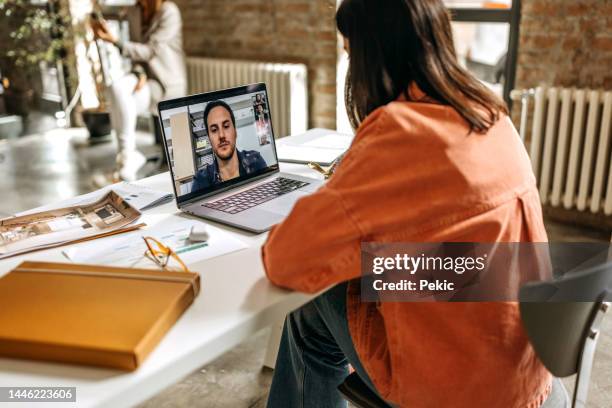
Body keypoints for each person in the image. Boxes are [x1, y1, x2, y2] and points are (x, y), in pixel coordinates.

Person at [262, 0, 558, 407]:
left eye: (352, 55)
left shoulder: (399, 130)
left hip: (462, 389)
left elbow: (285, 260)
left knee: (310, 306)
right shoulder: (488, 112)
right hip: (524, 373)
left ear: (374, 56)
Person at [92, 0, 186, 181]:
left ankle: (127, 158)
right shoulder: (134, 11)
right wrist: (139, 72)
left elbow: (150, 51)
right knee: (116, 89)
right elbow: (138, 52)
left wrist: (115, 41)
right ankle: (128, 155)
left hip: (167, 82)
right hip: (145, 78)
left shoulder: (169, 11)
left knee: (123, 101)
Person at [192, 101, 268, 192]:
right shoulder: (201, 182)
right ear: (209, 139)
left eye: (226, 126)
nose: (221, 135)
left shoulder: (256, 161)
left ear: (235, 131)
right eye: (214, 130)